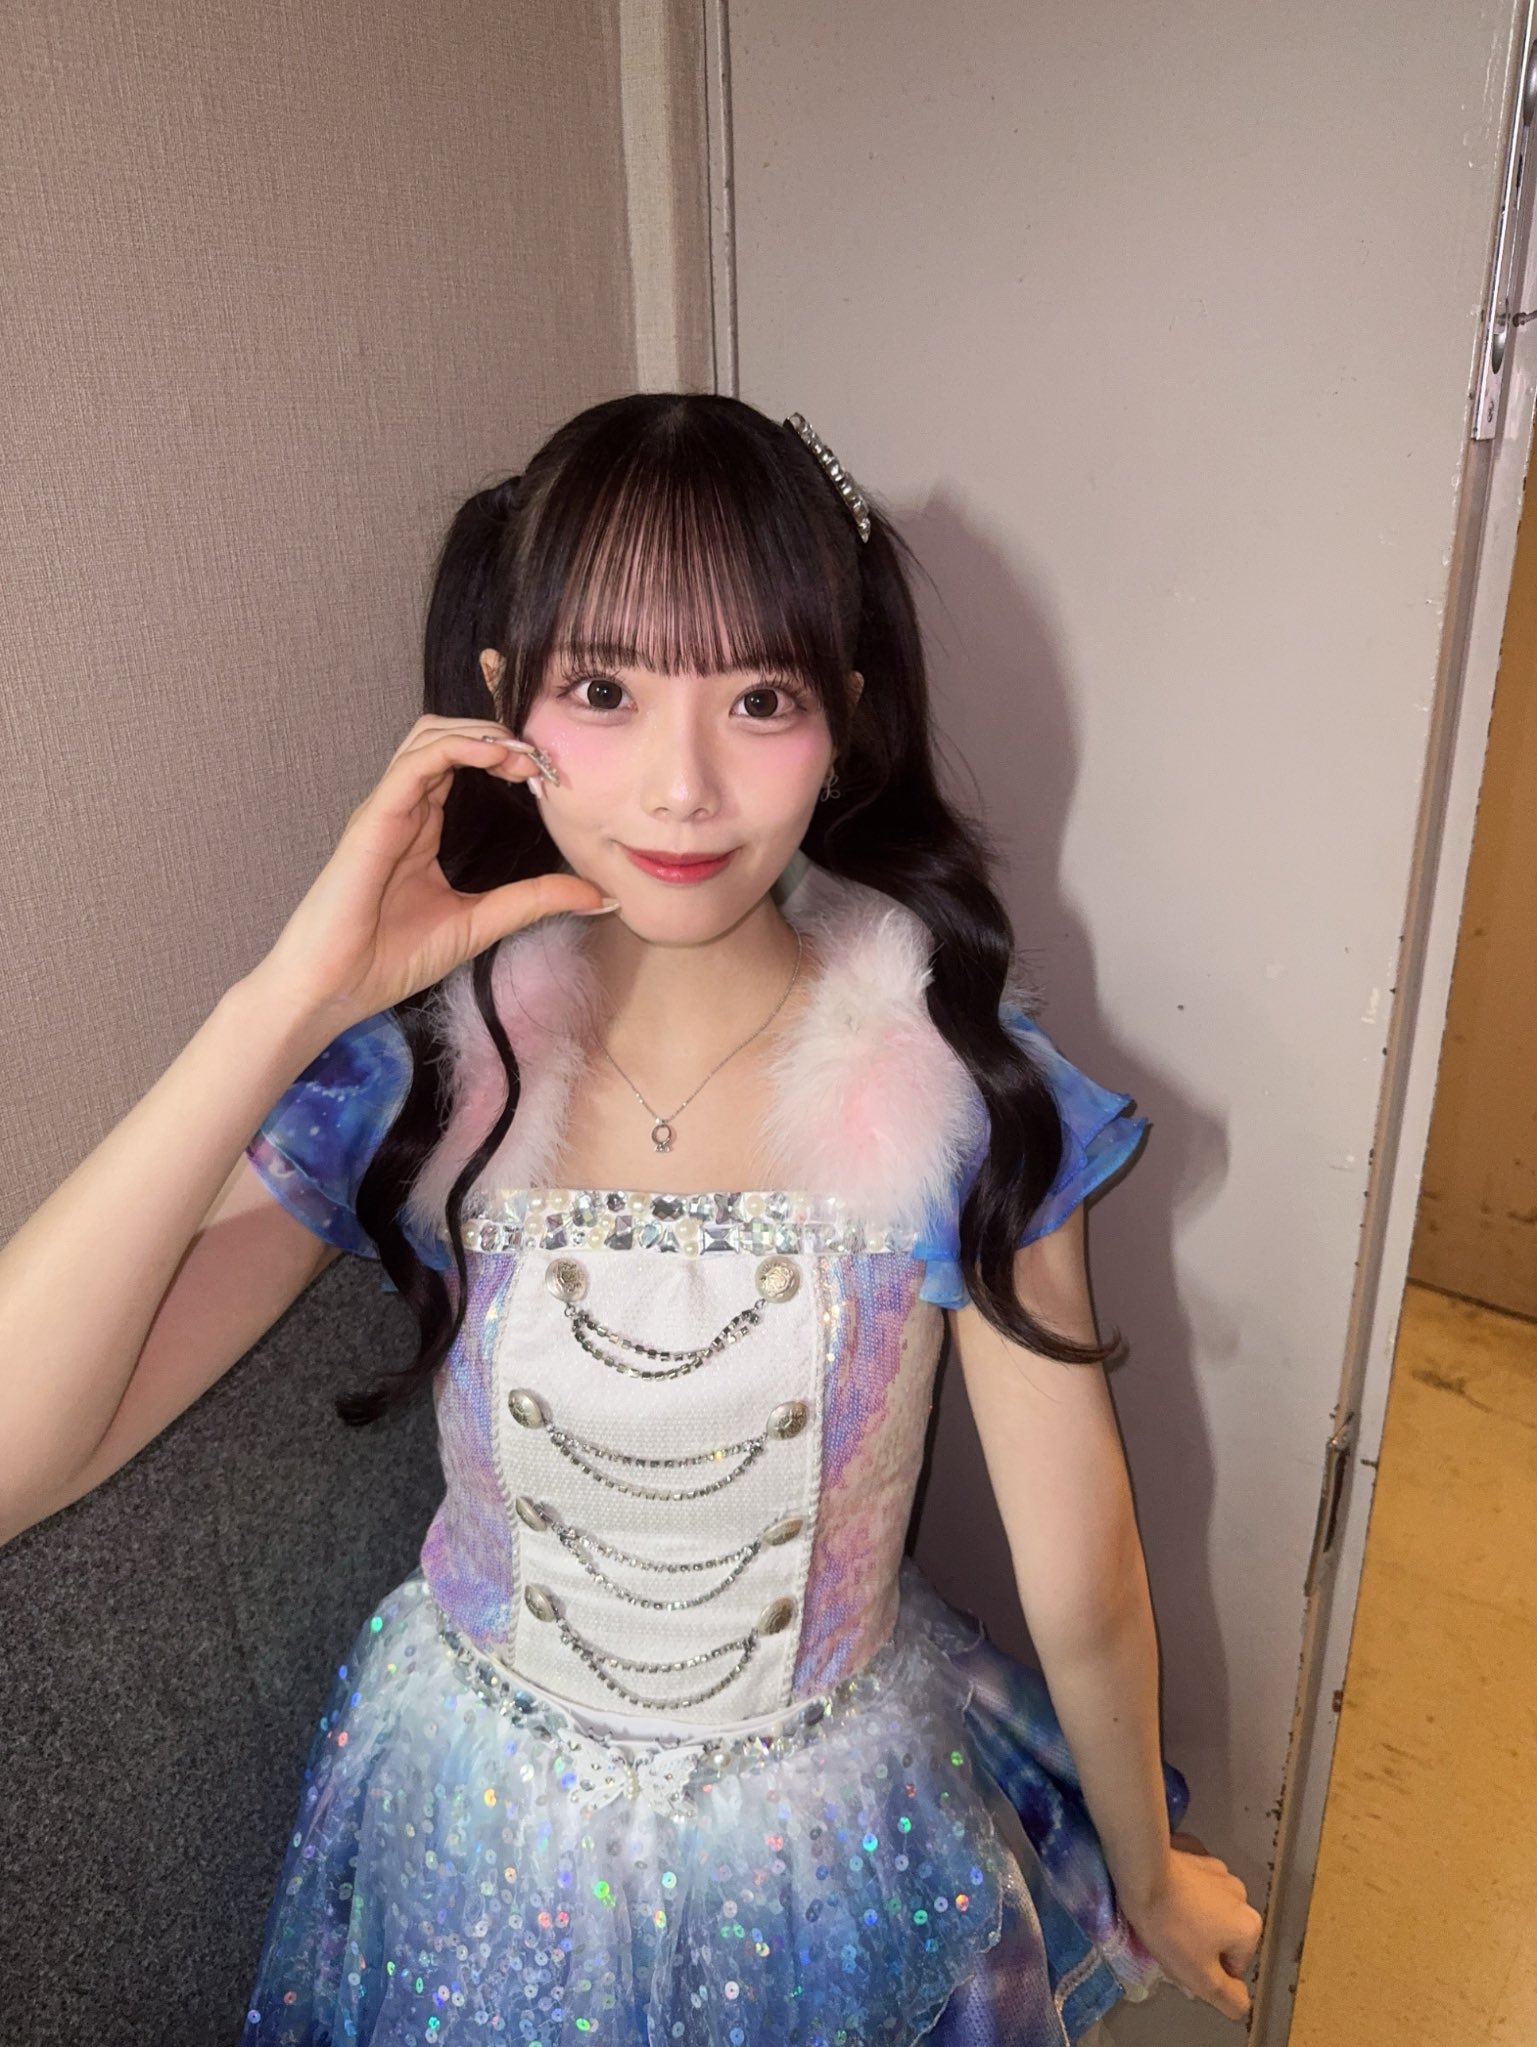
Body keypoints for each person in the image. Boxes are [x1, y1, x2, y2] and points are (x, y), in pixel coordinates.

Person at [0, 392, 1263, 2045]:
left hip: (827, 1857)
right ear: (500, 704)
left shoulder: (958, 1085)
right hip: (477, 1848)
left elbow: (1080, 1569)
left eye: (759, 697)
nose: (682, 788)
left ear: (847, 714)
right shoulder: (428, 1066)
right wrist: (286, 999)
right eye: (603, 690)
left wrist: (1145, 1865)